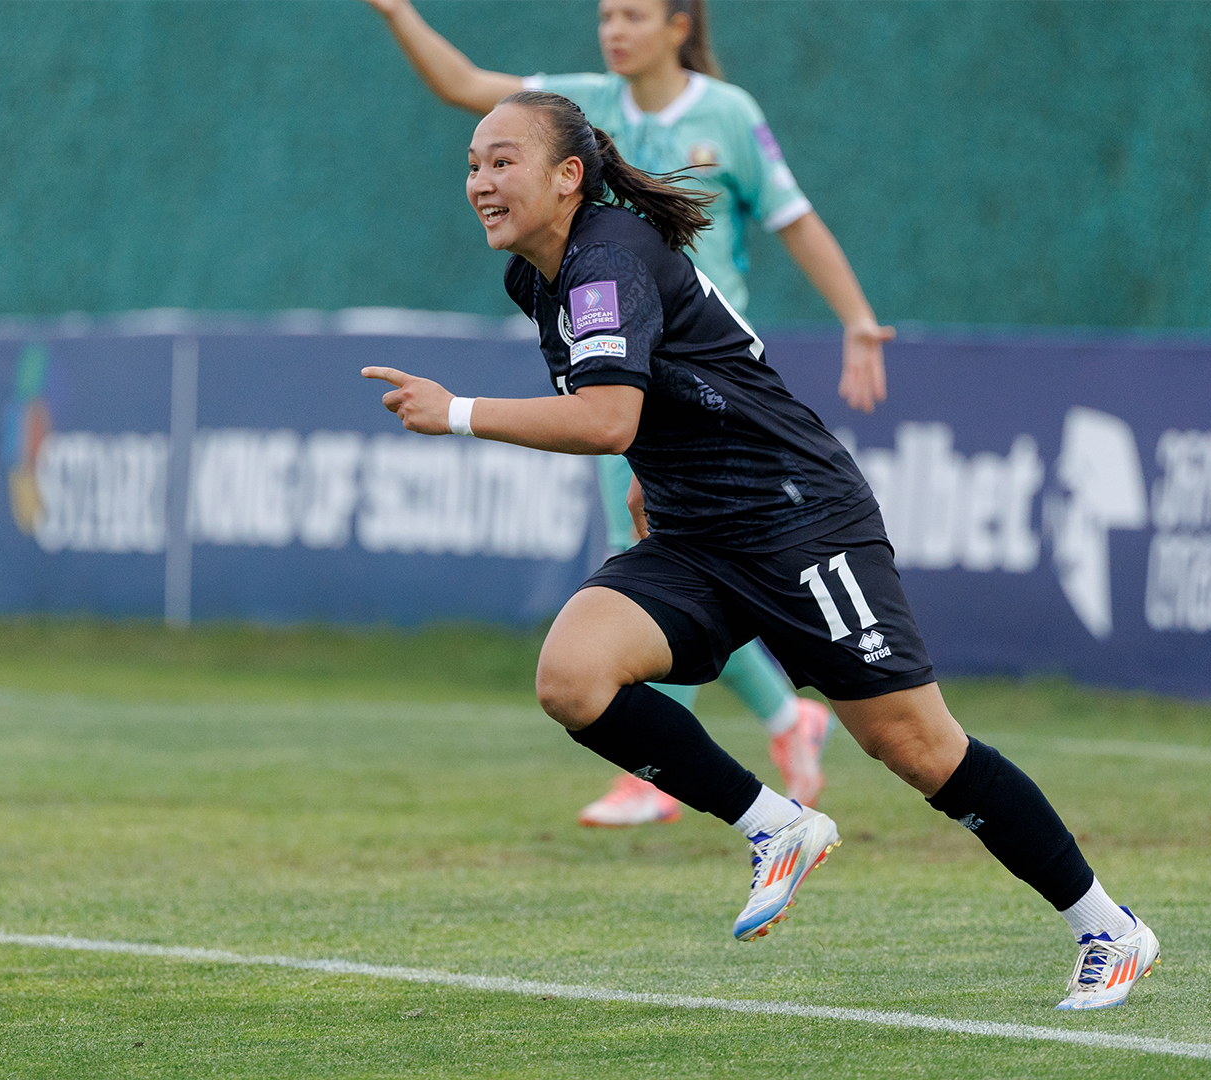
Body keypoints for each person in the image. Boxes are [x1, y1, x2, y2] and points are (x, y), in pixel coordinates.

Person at [362, 91, 1160, 1010]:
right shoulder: (539, 275)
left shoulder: (607, 257)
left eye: (503, 162)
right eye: (473, 164)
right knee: (572, 677)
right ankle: (773, 824)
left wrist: (457, 413)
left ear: (568, 175)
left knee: (916, 748)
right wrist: (651, 473)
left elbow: (607, 415)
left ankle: (1109, 928)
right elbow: (651, 395)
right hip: (697, 532)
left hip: (798, 521)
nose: (480, 182)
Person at [364, 0, 895, 825]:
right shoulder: (576, 105)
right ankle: (776, 728)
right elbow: (462, 82)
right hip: (626, 373)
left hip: (698, 380)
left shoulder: (727, 113)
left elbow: (795, 220)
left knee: (659, 570)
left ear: (680, 26)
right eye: (607, 13)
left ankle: (693, 763)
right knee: (655, 567)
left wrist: (857, 319)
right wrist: (398, 13)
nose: (614, 29)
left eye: (634, 14)